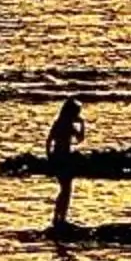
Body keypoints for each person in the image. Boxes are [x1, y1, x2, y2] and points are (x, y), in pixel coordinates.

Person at [45, 98, 86, 234]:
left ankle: (59, 217)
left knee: (65, 189)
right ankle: (60, 218)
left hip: (59, 156)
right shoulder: (66, 124)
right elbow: (80, 139)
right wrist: (82, 125)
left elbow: (49, 140)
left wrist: (49, 155)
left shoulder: (61, 122)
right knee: (66, 190)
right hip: (63, 157)